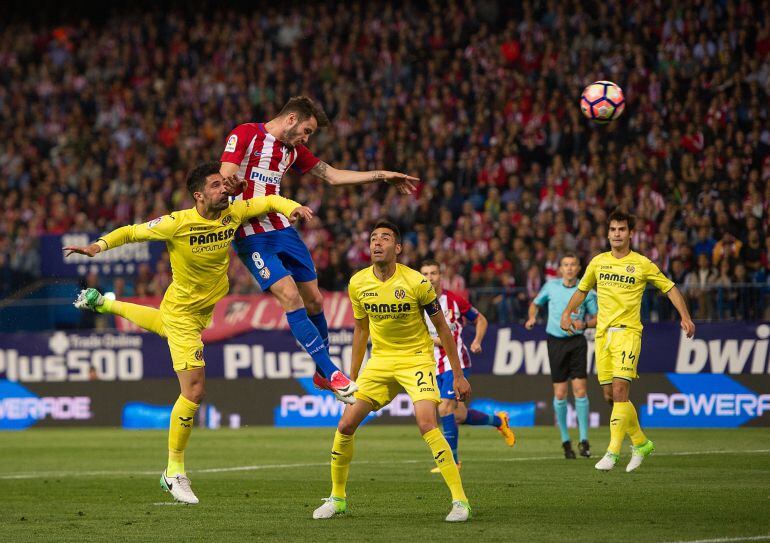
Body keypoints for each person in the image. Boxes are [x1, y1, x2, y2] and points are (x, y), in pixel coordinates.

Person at [64, 161, 312, 503]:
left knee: (159, 323)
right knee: (194, 391)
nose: (223, 190)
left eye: (223, 185)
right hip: (183, 313)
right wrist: (98, 246)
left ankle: (104, 304)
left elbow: (268, 201)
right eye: (215, 186)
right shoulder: (177, 223)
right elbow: (132, 231)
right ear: (198, 195)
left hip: (197, 311)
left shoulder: (234, 212)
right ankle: (173, 471)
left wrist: (292, 207)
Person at [219, 96, 418, 403]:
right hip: (249, 233)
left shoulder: (292, 151)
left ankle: (321, 373)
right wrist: (231, 187)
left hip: (281, 228)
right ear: (291, 120)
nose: (306, 138)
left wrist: (382, 175)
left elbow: (333, 175)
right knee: (289, 295)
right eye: (307, 131)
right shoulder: (245, 134)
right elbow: (224, 177)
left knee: (315, 300)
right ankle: (333, 373)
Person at [312, 221, 473, 522]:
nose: (377, 242)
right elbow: (360, 331)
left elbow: (443, 330)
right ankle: (337, 498)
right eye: (373, 238)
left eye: (385, 238)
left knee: (427, 423)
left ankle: (460, 502)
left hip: (416, 359)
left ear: (397, 248)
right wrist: (351, 377)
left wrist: (459, 373)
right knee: (346, 425)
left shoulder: (416, 283)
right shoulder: (358, 283)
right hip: (381, 361)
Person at [560, 209, 695, 472]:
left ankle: (612, 452)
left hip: (628, 333)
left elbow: (669, 287)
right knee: (610, 395)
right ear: (608, 233)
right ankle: (641, 442)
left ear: (630, 234)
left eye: (622, 229)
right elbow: (582, 290)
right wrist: (567, 312)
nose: (617, 234)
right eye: (613, 230)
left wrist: (685, 317)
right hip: (602, 335)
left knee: (621, 391)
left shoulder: (642, 264)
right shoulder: (598, 262)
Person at [420, 259, 515, 472]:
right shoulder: (417, 302)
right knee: (458, 415)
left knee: (444, 408)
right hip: (430, 364)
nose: (429, 277)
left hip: (455, 364)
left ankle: (452, 462)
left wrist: (477, 341)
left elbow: (480, 320)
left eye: (433, 273)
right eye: (424, 273)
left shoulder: (454, 301)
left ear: (440, 275)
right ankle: (499, 421)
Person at [525, 253, 597, 459]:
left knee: (580, 390)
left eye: (573, 264)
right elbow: (535, 303)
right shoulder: (551, 287)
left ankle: (584, 441)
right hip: (556, 342)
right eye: (565, 265)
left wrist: (585, 324)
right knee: (560, 394)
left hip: (577, 342)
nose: (569, 268)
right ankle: (566, 441)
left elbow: (598, 317)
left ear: (579, 267)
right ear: (560, 269)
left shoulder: (587, 291)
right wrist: (532, 317)